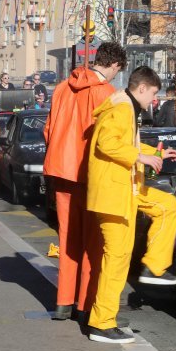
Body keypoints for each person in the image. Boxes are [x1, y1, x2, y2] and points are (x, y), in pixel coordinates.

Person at [86, 67, 176, 344]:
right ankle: (101, 324)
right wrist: (141, 158)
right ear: (142, 88)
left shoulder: (125, 105)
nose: (154, 101)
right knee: (116, 260)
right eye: (153, 94)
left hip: (125, 187)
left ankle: (154, 266)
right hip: (114, 193)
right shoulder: (122, 109)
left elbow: (126, 143)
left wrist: (156, 153)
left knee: (167, 205)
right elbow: (107, 143)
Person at [43, 41, 127, 321]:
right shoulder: (108, 94)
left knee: (67, 239)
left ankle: (62, 301)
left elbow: (49, 130)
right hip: (91, 175)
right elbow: (110, 140)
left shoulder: (61, 88)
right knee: (93, 243)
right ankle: (85, 304)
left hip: (61, 171)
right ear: (114, 65)